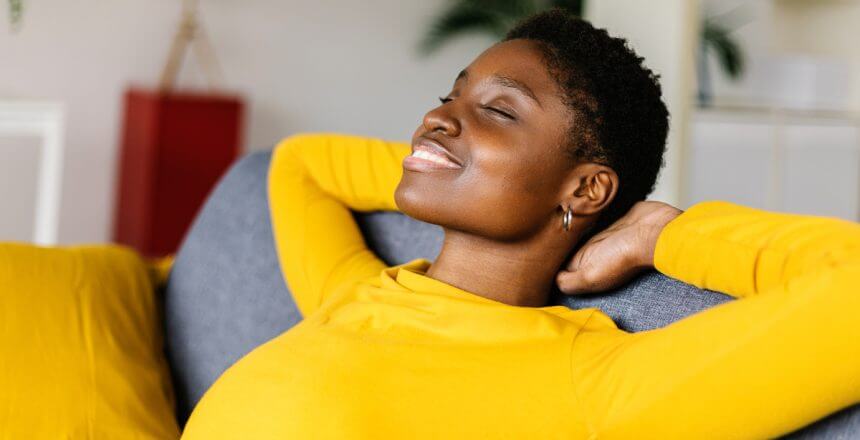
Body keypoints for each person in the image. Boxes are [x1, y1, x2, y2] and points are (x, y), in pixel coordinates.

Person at [181, 10, 860, 439]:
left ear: (587, 187)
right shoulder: (352, 293)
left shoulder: (595, 385)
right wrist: (441, 158)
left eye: (500, 111)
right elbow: (300, 164)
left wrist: (662, 233)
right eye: (451, 96)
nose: (436, 117)